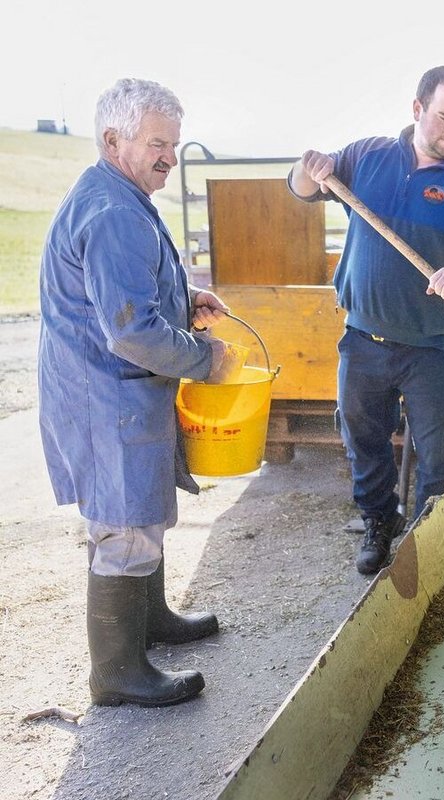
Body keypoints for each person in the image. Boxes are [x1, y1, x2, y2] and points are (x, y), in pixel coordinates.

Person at [39, 78, 242, 707]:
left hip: (111, 392)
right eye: (158, 143)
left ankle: (150, 623)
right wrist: (208, 360)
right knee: (123, 526)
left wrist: (184, 301)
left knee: (139, 513)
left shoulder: (117, 194)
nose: (170, 158)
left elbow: (129, 296)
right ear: (112, 139)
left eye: (174, 145)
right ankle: (118, 672)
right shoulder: (113, 213)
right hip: (107, 397)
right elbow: (129, 330)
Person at [288, 66, 444, 575]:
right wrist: (311, 167)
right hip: (364, 338)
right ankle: (378, 521)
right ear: (417, 109)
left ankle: (427, 539)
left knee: (439, 453)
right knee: (363, 437)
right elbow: (302, 187)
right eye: (443, 117)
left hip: (433, 347)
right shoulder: (367, 157)